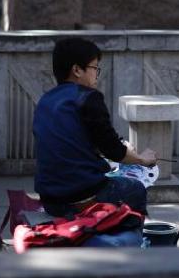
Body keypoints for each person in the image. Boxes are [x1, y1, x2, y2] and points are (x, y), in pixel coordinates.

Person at [33, 38, 157, 219]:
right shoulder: (87, 97)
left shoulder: (46, 100)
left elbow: (70, 143)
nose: (96, 75)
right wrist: (141, 158)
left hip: (50, 199)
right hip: (81, 196)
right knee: (135, 189)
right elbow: (113, 150)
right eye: (94, 68)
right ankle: (132, 244)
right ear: (77, 70)